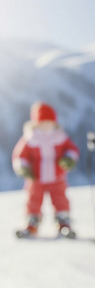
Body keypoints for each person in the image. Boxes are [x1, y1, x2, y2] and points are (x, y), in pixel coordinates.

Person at [12, 102, 79, 238]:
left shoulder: (60, 136)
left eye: (49, 123)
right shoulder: (30, 138)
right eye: (43, 124)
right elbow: (20, 155)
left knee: (60, 199)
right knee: (33, 199)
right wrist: (22, 167)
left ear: (54, 123)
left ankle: (63, 221)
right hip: (36, 177)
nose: (46, 126)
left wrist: (69, 158)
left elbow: (72, 149)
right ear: (36, 124)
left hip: (57, 176)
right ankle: (32, 221)